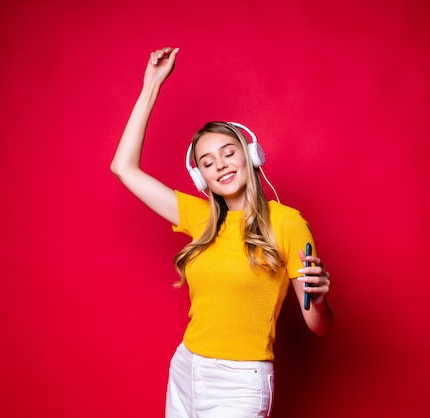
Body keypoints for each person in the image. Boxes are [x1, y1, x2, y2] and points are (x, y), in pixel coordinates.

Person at [111, 46, 333, 418]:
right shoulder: (201, 218)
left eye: (228, 153)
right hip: (187, 368)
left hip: (241, 381)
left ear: (251, 154)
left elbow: (318, 326)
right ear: (201, 178)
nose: (221, 166)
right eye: (207, 162)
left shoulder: (289, 223)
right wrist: (151, 85)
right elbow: (124, 167)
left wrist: (322, 301)